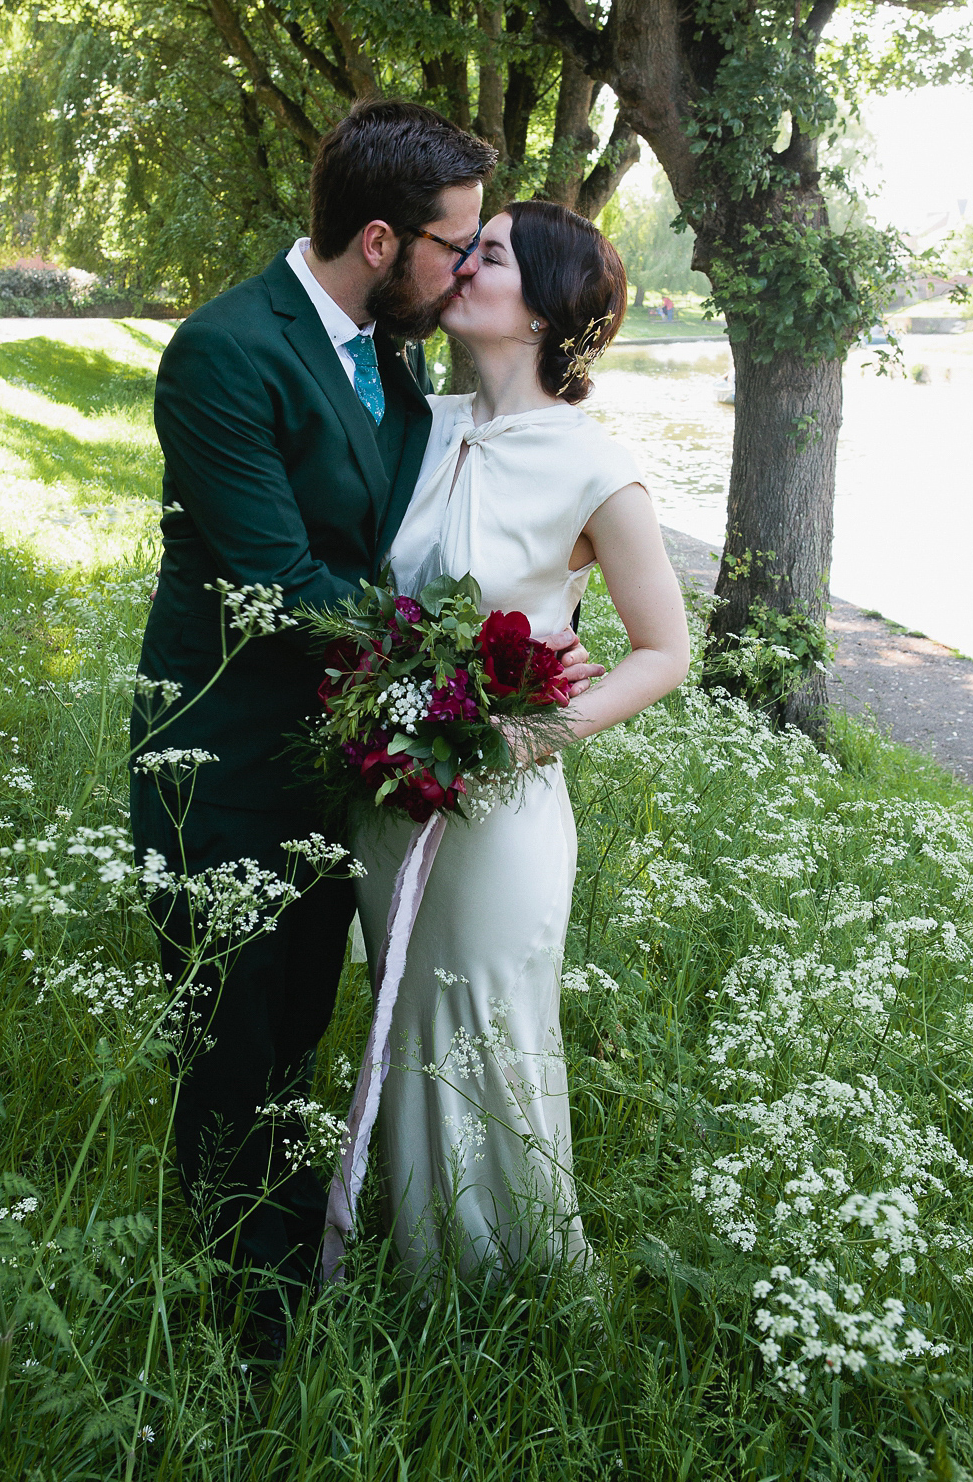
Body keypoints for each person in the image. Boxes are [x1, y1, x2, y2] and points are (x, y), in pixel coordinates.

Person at [129, 102, 597, 1332]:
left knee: (297, 1036)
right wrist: (473, 669)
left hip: (349, 773)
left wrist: (536, 632)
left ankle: (308, 1267)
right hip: (218, 764)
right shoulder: (228, 350)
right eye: (459, 245)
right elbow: (282, 584)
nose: (465, 268)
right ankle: (244, 1332)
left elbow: (453, 528)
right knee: (230, 1053)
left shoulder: (386, 363)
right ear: (385, 242)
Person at [353, 200, 690, 1279]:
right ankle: (415, 1259)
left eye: (487, 254)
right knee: (401, 1012)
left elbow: (663, 650)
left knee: (487, 1021)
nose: (458, 265)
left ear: (543, 310)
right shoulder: (413, 422)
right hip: (383, 787)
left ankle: (517, 1281)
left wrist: (529, 731)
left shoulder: (595, 467)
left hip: (501, 805)